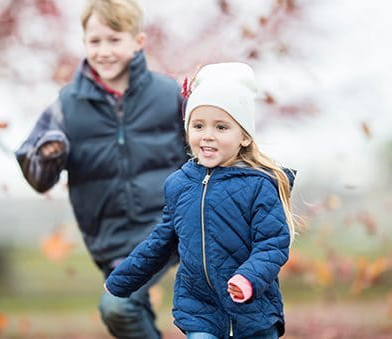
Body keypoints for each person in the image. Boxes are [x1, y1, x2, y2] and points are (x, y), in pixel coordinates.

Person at [15, 0, 187, 337]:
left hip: (167, 230)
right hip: (110, 241)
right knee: (130, 313)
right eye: (95, 41)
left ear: (138, 42)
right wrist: (49, 155)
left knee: (118, 305)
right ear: (84, 43)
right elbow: (36, 176)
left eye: (114, 40)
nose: (104, 51)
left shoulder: (169, 96)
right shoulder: (66, 106)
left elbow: (203, 153)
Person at [104, 62, 297, 339]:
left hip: (253, 311)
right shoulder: (180, 185)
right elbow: (161, 241)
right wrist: (123, 278)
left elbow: (273, 244)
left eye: (221, 127)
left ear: (244, 136)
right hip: (200, 311)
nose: (207, 135)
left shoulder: (258, 186)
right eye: (198, 125)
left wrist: (248, 279)